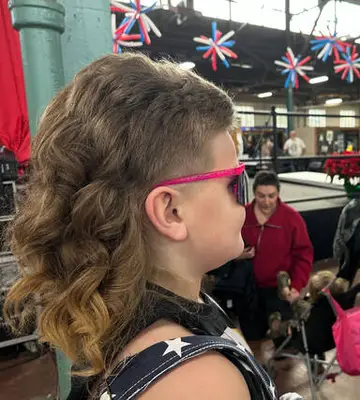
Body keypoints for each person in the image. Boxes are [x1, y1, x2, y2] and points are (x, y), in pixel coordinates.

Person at [2, 54, 286, 399]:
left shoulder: (140, 310)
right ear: (171, 211)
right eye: (235, 183)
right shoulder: (197, 383)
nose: (245, 201)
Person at [238, 171, 313, 343]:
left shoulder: (292, 218)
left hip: (279, 290)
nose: (266, 201)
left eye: (271, 196)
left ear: (278, 193)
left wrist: (296, 285)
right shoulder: (242, 215)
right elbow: (225, 245)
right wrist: (237, 255)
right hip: (249, 290)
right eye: (261, 196)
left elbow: (303, 255)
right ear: (254, 193)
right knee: (252, 338)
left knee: (282, 342)